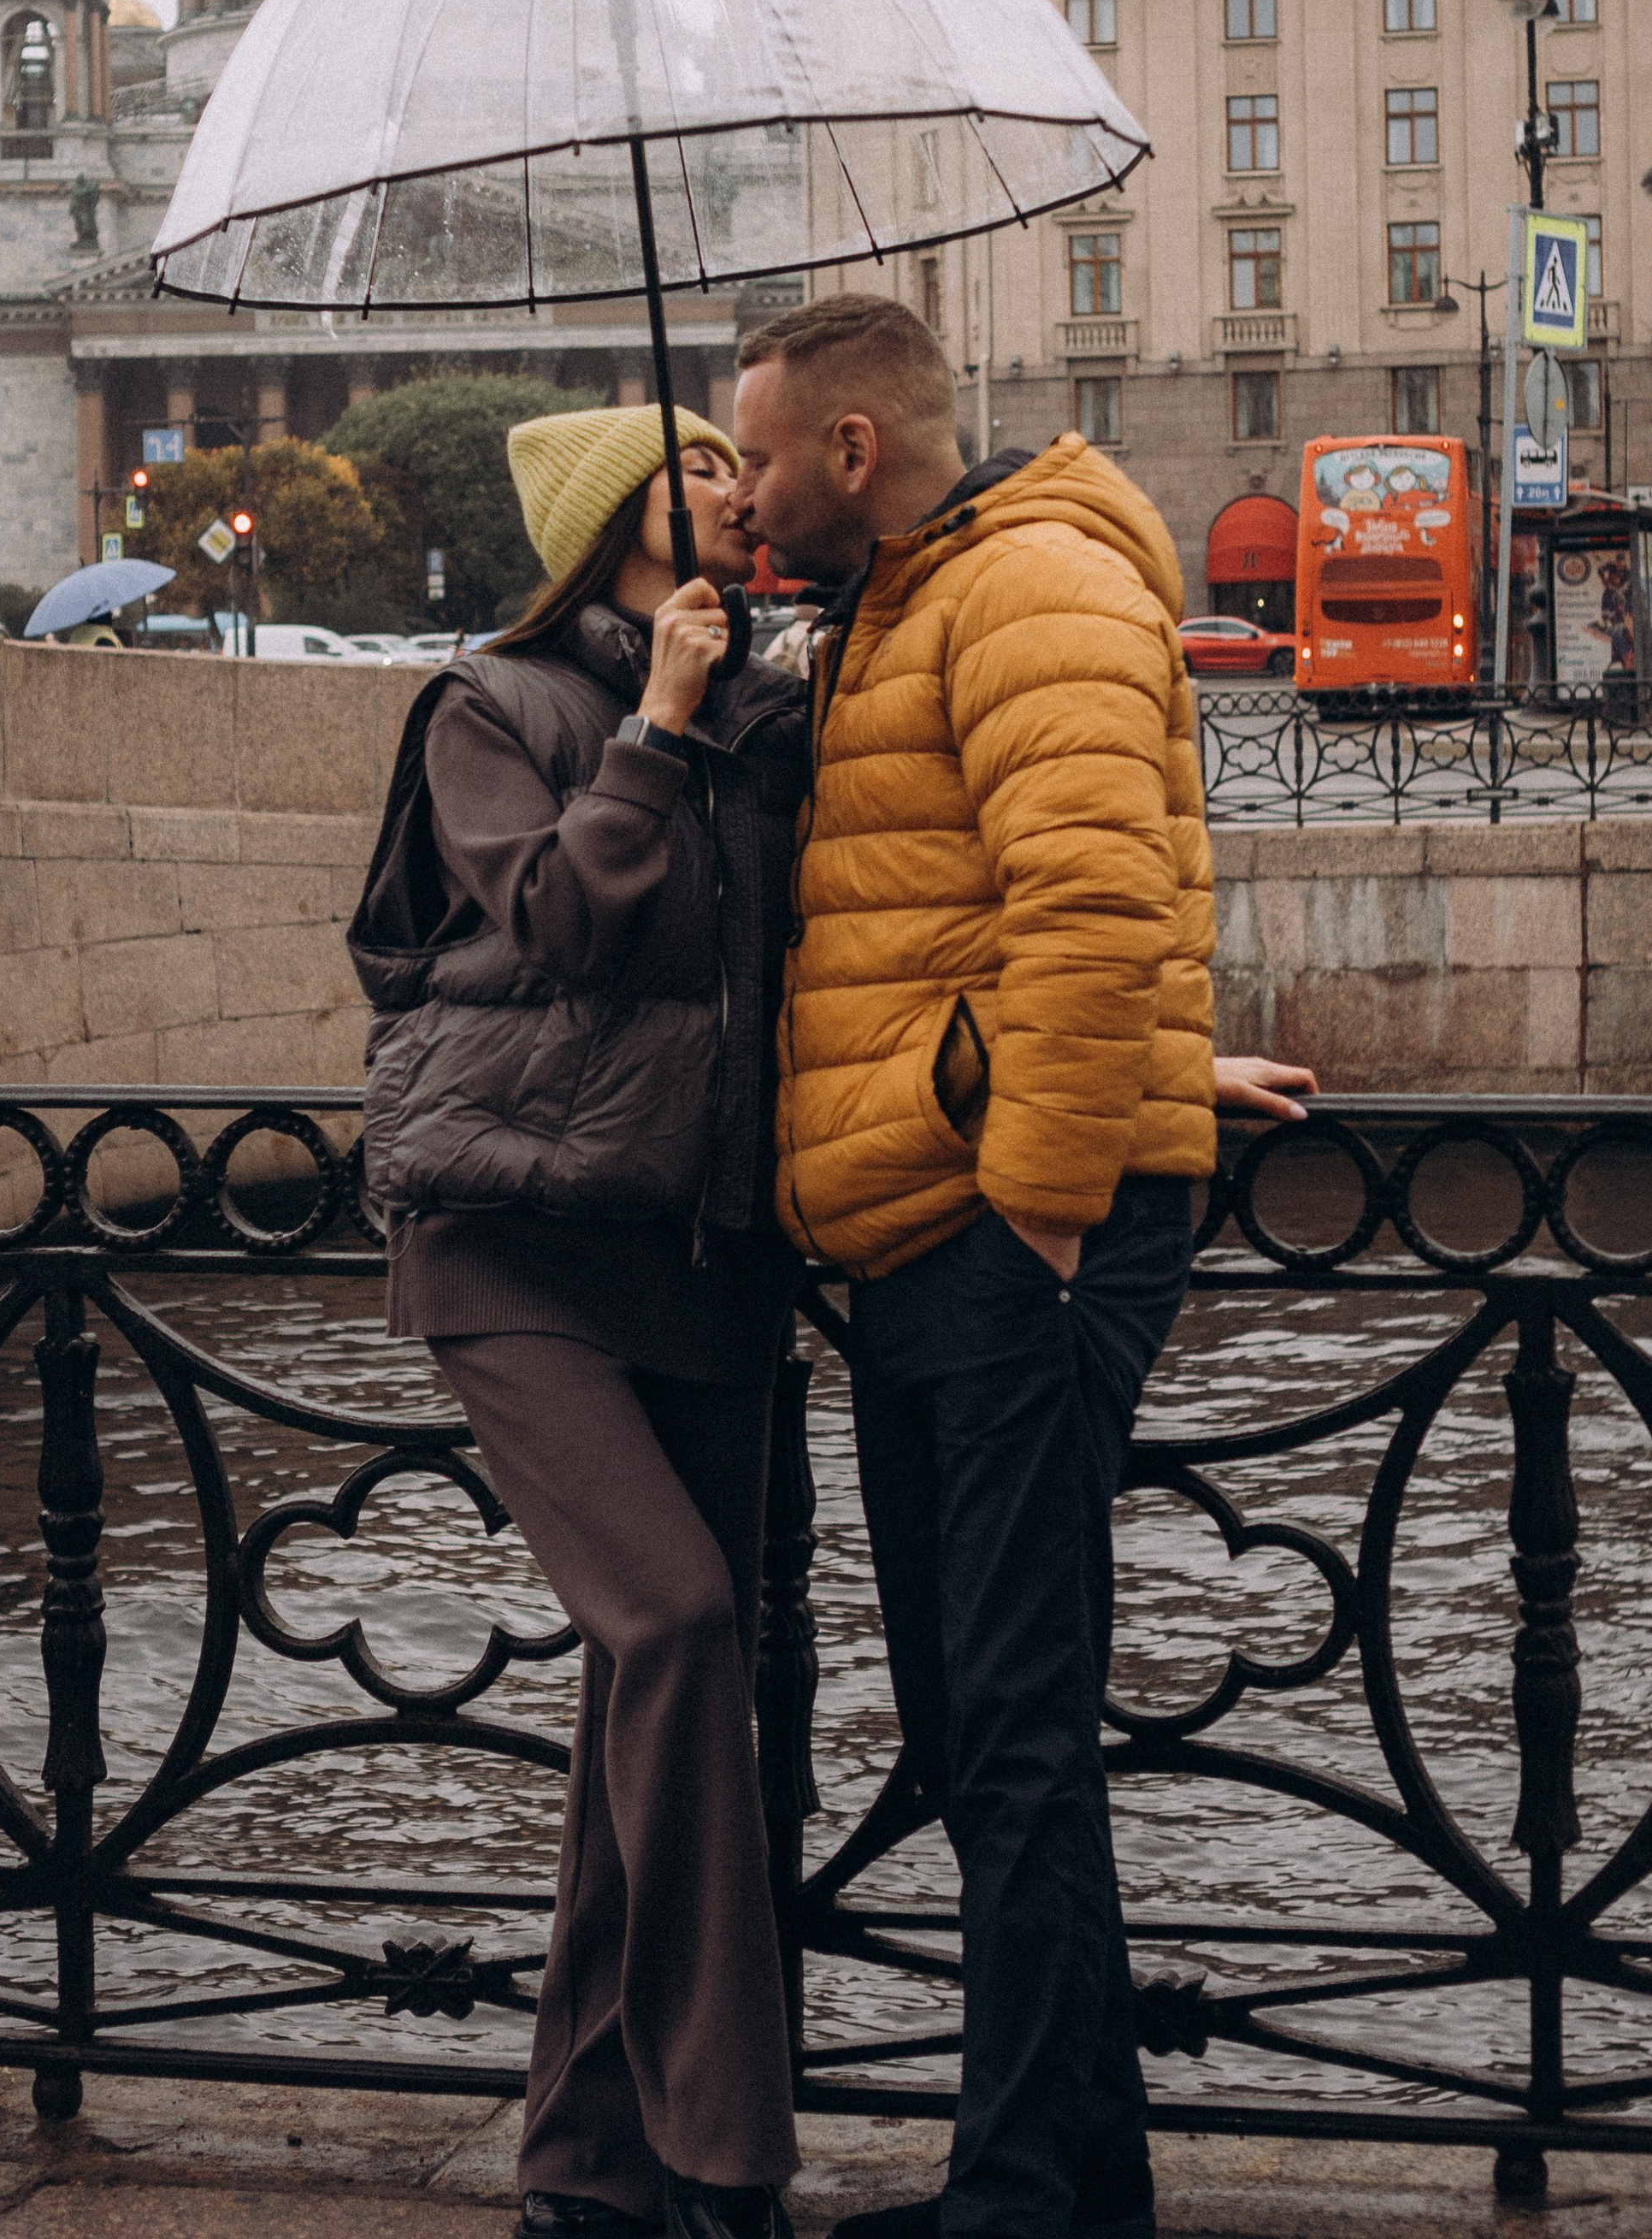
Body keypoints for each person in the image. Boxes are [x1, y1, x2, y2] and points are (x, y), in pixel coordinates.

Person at [729, 294, 1317, 2239]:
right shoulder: (906, 598)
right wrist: (1146, 1066)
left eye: (754, 454)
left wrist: (1048, 1193)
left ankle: (1025, 2196)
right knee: (985, 1721)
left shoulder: (1027, 579)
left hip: (1003, 1234)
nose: (737, 490)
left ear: (850, 451)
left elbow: (1087, 892)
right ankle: (1067, 2174)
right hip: (931, 1226)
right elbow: (976, 895)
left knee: (1012, 1721)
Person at [348, 405, 809, 2239]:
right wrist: (654, 726)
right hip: (512, 1250)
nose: (733, 480)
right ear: (613, 512)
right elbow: (553, 919)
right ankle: (721, 2158)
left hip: (702, 1261)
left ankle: (579, 2166)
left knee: (661, 1693)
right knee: (680, 1621)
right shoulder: (493, 703)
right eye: (696, 459)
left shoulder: (775, 723)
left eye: (735, 457)